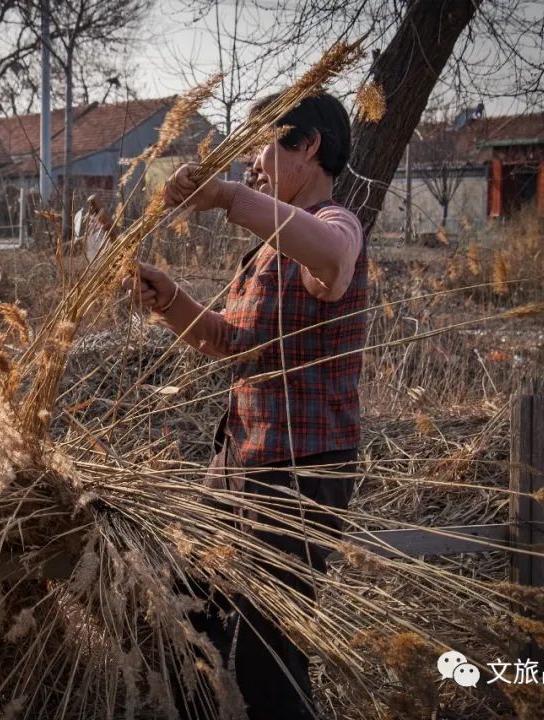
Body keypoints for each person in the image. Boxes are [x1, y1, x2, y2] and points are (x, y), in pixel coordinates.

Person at [126, 93, 366, 719]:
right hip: (237, 463)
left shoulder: (335, 225)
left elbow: (334, 259)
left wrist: (228, 197)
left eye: (262, 145)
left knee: (267, 656)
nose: (252, 163)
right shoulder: (267, 250)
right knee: (186, 615)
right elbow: (227, 341)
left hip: (298, 475)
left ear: (307, 146)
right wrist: (170, 299)